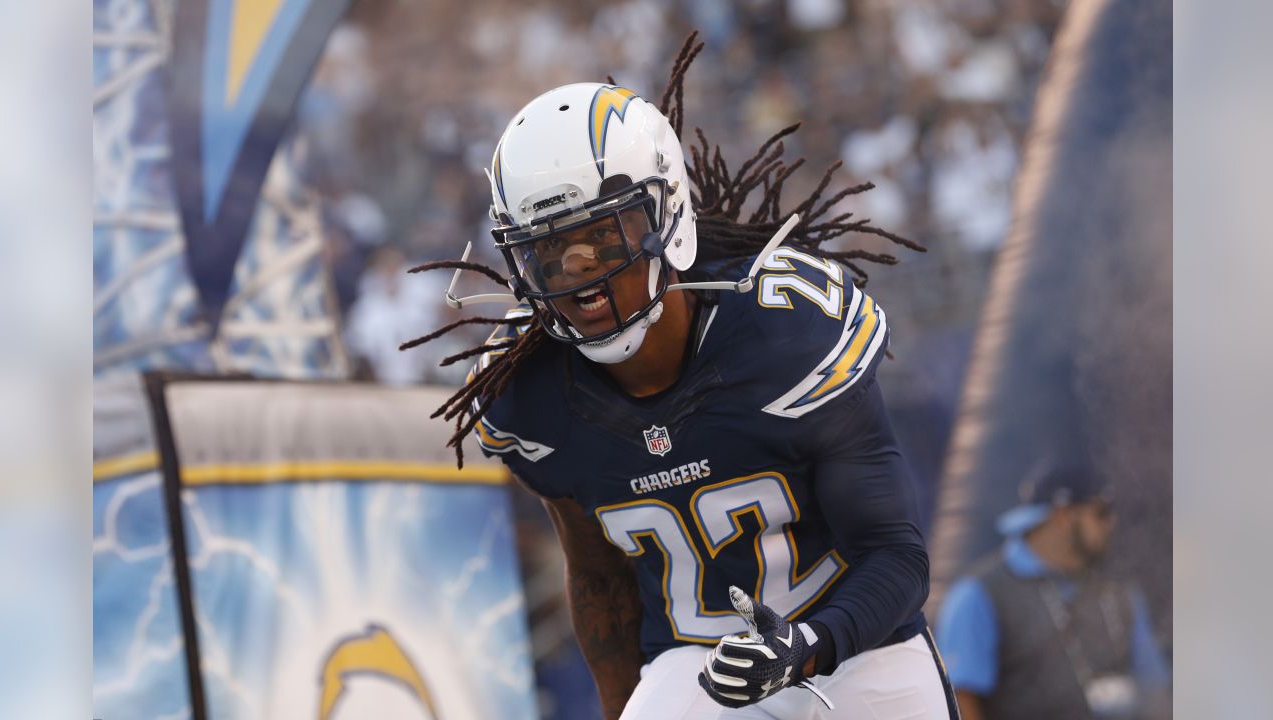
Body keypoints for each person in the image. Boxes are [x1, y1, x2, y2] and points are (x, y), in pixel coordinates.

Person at [405, 35, 957, 719]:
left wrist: (806, 646)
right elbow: (600, 581)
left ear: (668, 216)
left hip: (857, 645)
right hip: (698, 668)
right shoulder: (532, 395)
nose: (582, 280)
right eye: (550, 255)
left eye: (602, 239)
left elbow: (897, 559)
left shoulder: (786, 334)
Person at [935, 462, 1171, 720]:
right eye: (1101, 512)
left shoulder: (1119, 590)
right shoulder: (978, 594)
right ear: (1062, 515)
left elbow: (1155, 689)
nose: (1111, 523)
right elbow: (961, 699)